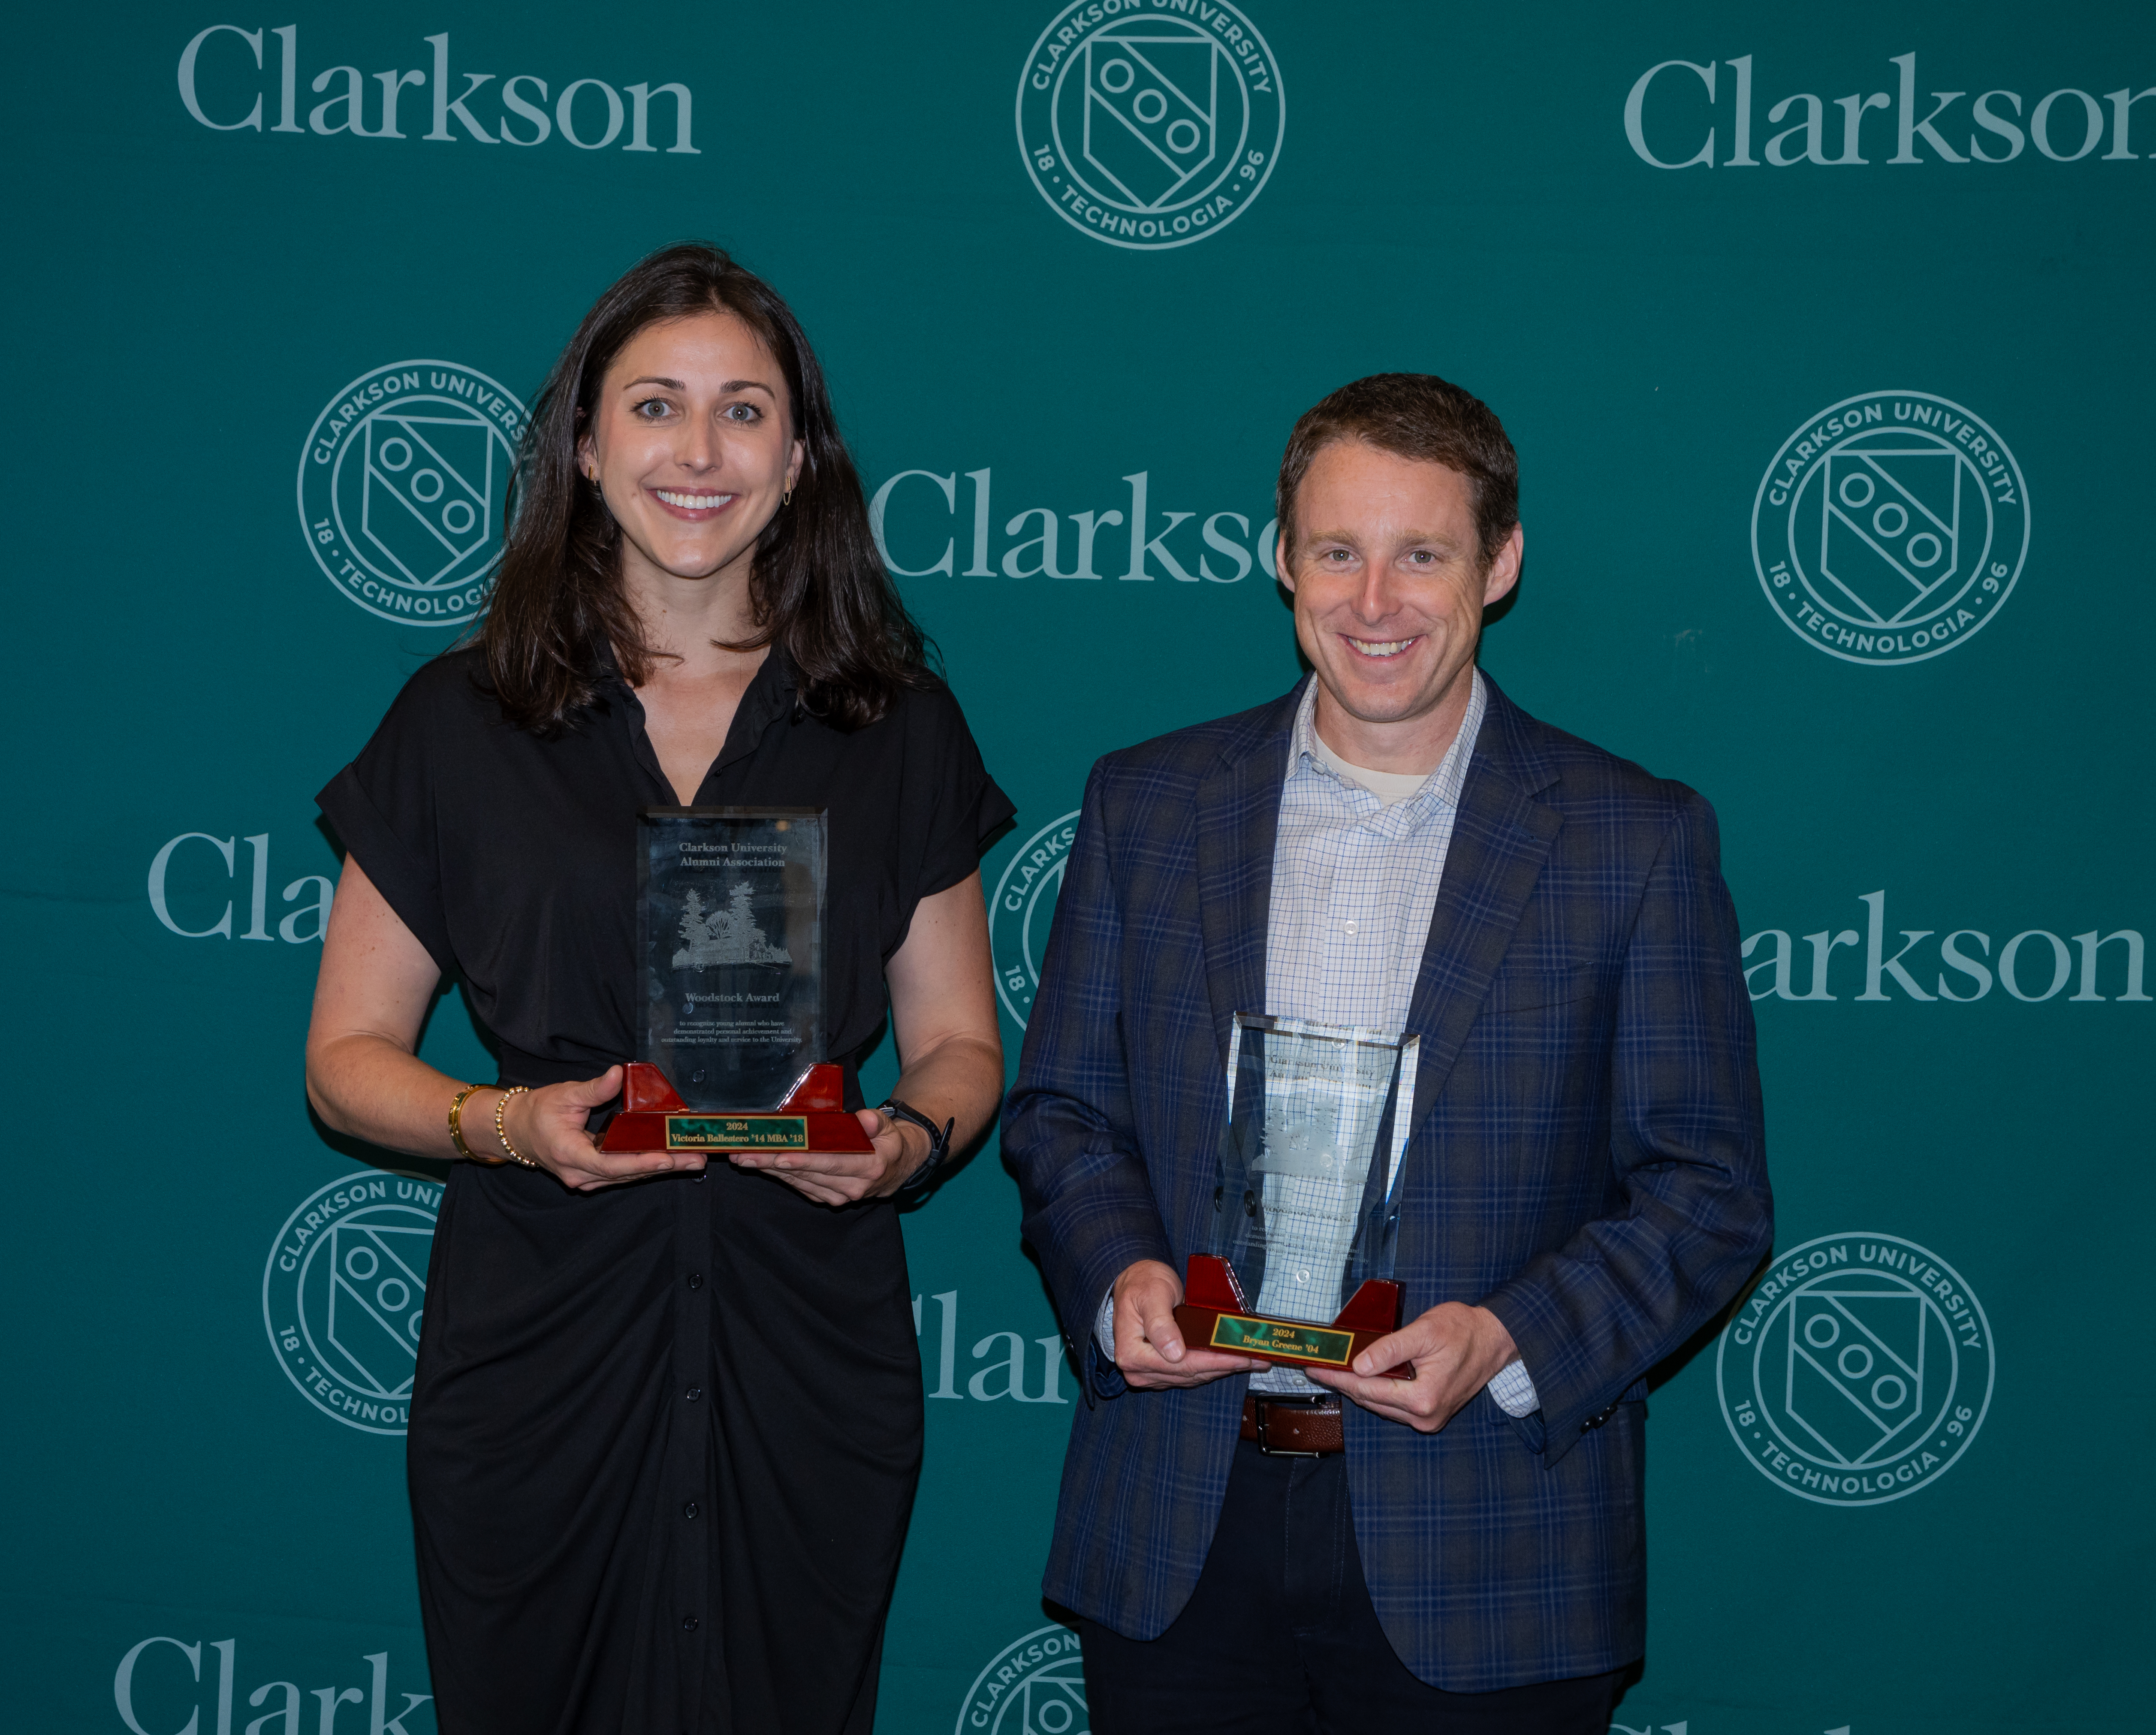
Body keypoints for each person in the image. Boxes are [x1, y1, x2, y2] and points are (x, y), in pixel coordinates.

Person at [304, 244, 1013, 1735]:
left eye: (744, 411)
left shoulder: (896, 725)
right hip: (541, 1358)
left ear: (802, 454)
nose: (699, 453)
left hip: (806, 1358)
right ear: (585, 441)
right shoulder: (458, 720)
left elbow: (957, 1046)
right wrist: (512, 1123)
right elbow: (347, 1059)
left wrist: (905, 1145)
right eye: (656, 407)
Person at [1005, 374, 1771, 1732]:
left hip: (1490, 1540)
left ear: (1503, 563)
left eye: (1423, 554)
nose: (1375, 603)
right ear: (1279, 557)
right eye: (1338, 552)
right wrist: (1118, 1265)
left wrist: (1507, 1339)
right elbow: (1065, 1109)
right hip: (1185, 1516)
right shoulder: (1147, 803)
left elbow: (1706, 1194)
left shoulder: (1631, 840)